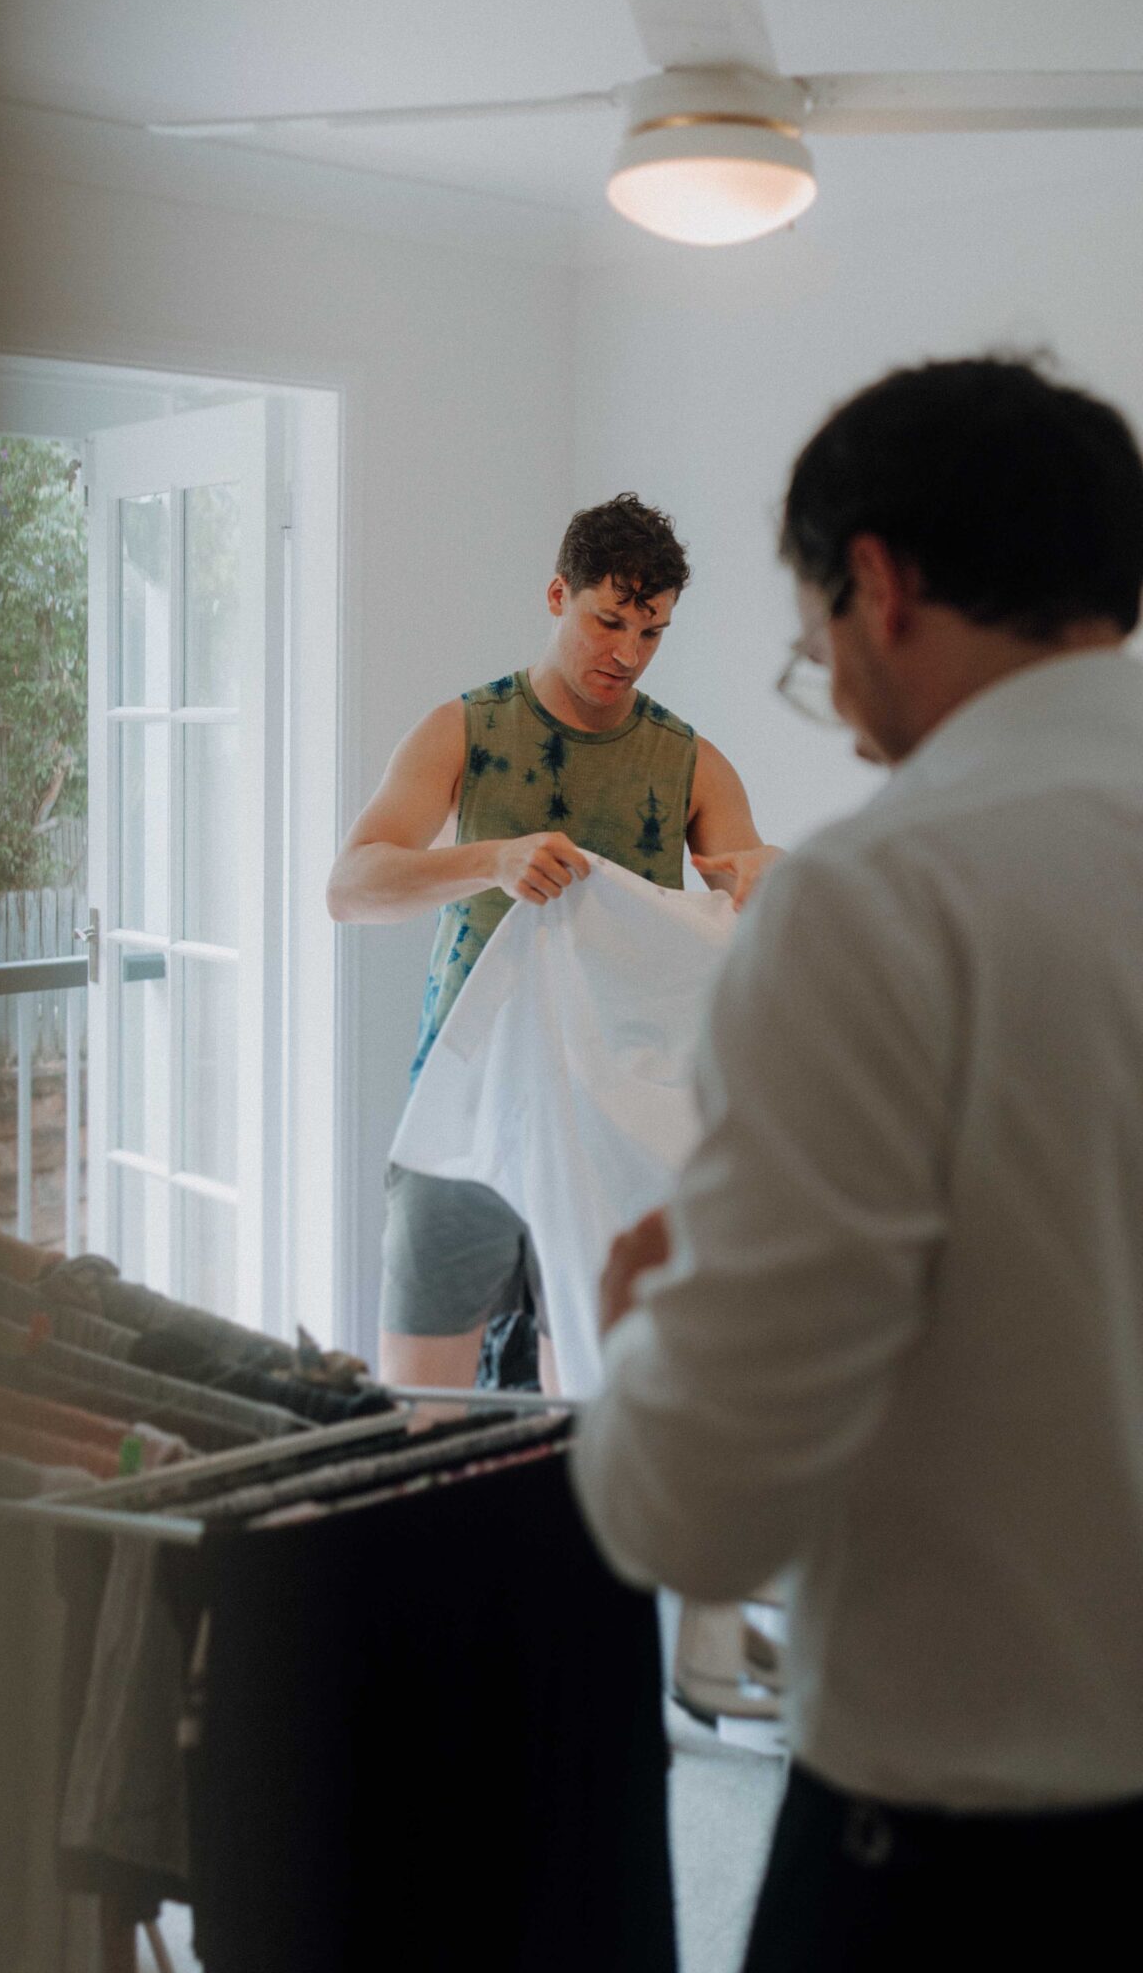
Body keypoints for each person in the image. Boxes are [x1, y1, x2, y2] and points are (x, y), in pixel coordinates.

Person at [571, 356, 1143, 1968]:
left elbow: (704, 1508)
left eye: (812, 629)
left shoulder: (879, 903)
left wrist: (643, 1330)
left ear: (876, 586)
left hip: (970, 1872)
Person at [327, 493, 781, 1392]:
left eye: (651, 632)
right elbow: (351, 889)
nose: (626, 654)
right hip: (466, 1104)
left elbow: (747, 903)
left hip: (614, 1119)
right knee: (425, 1408)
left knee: (591, 1405)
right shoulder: (465, 730)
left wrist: (767, 880)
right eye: (607, 621)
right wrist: (490, 861)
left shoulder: (691, 764)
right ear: (555, 597)